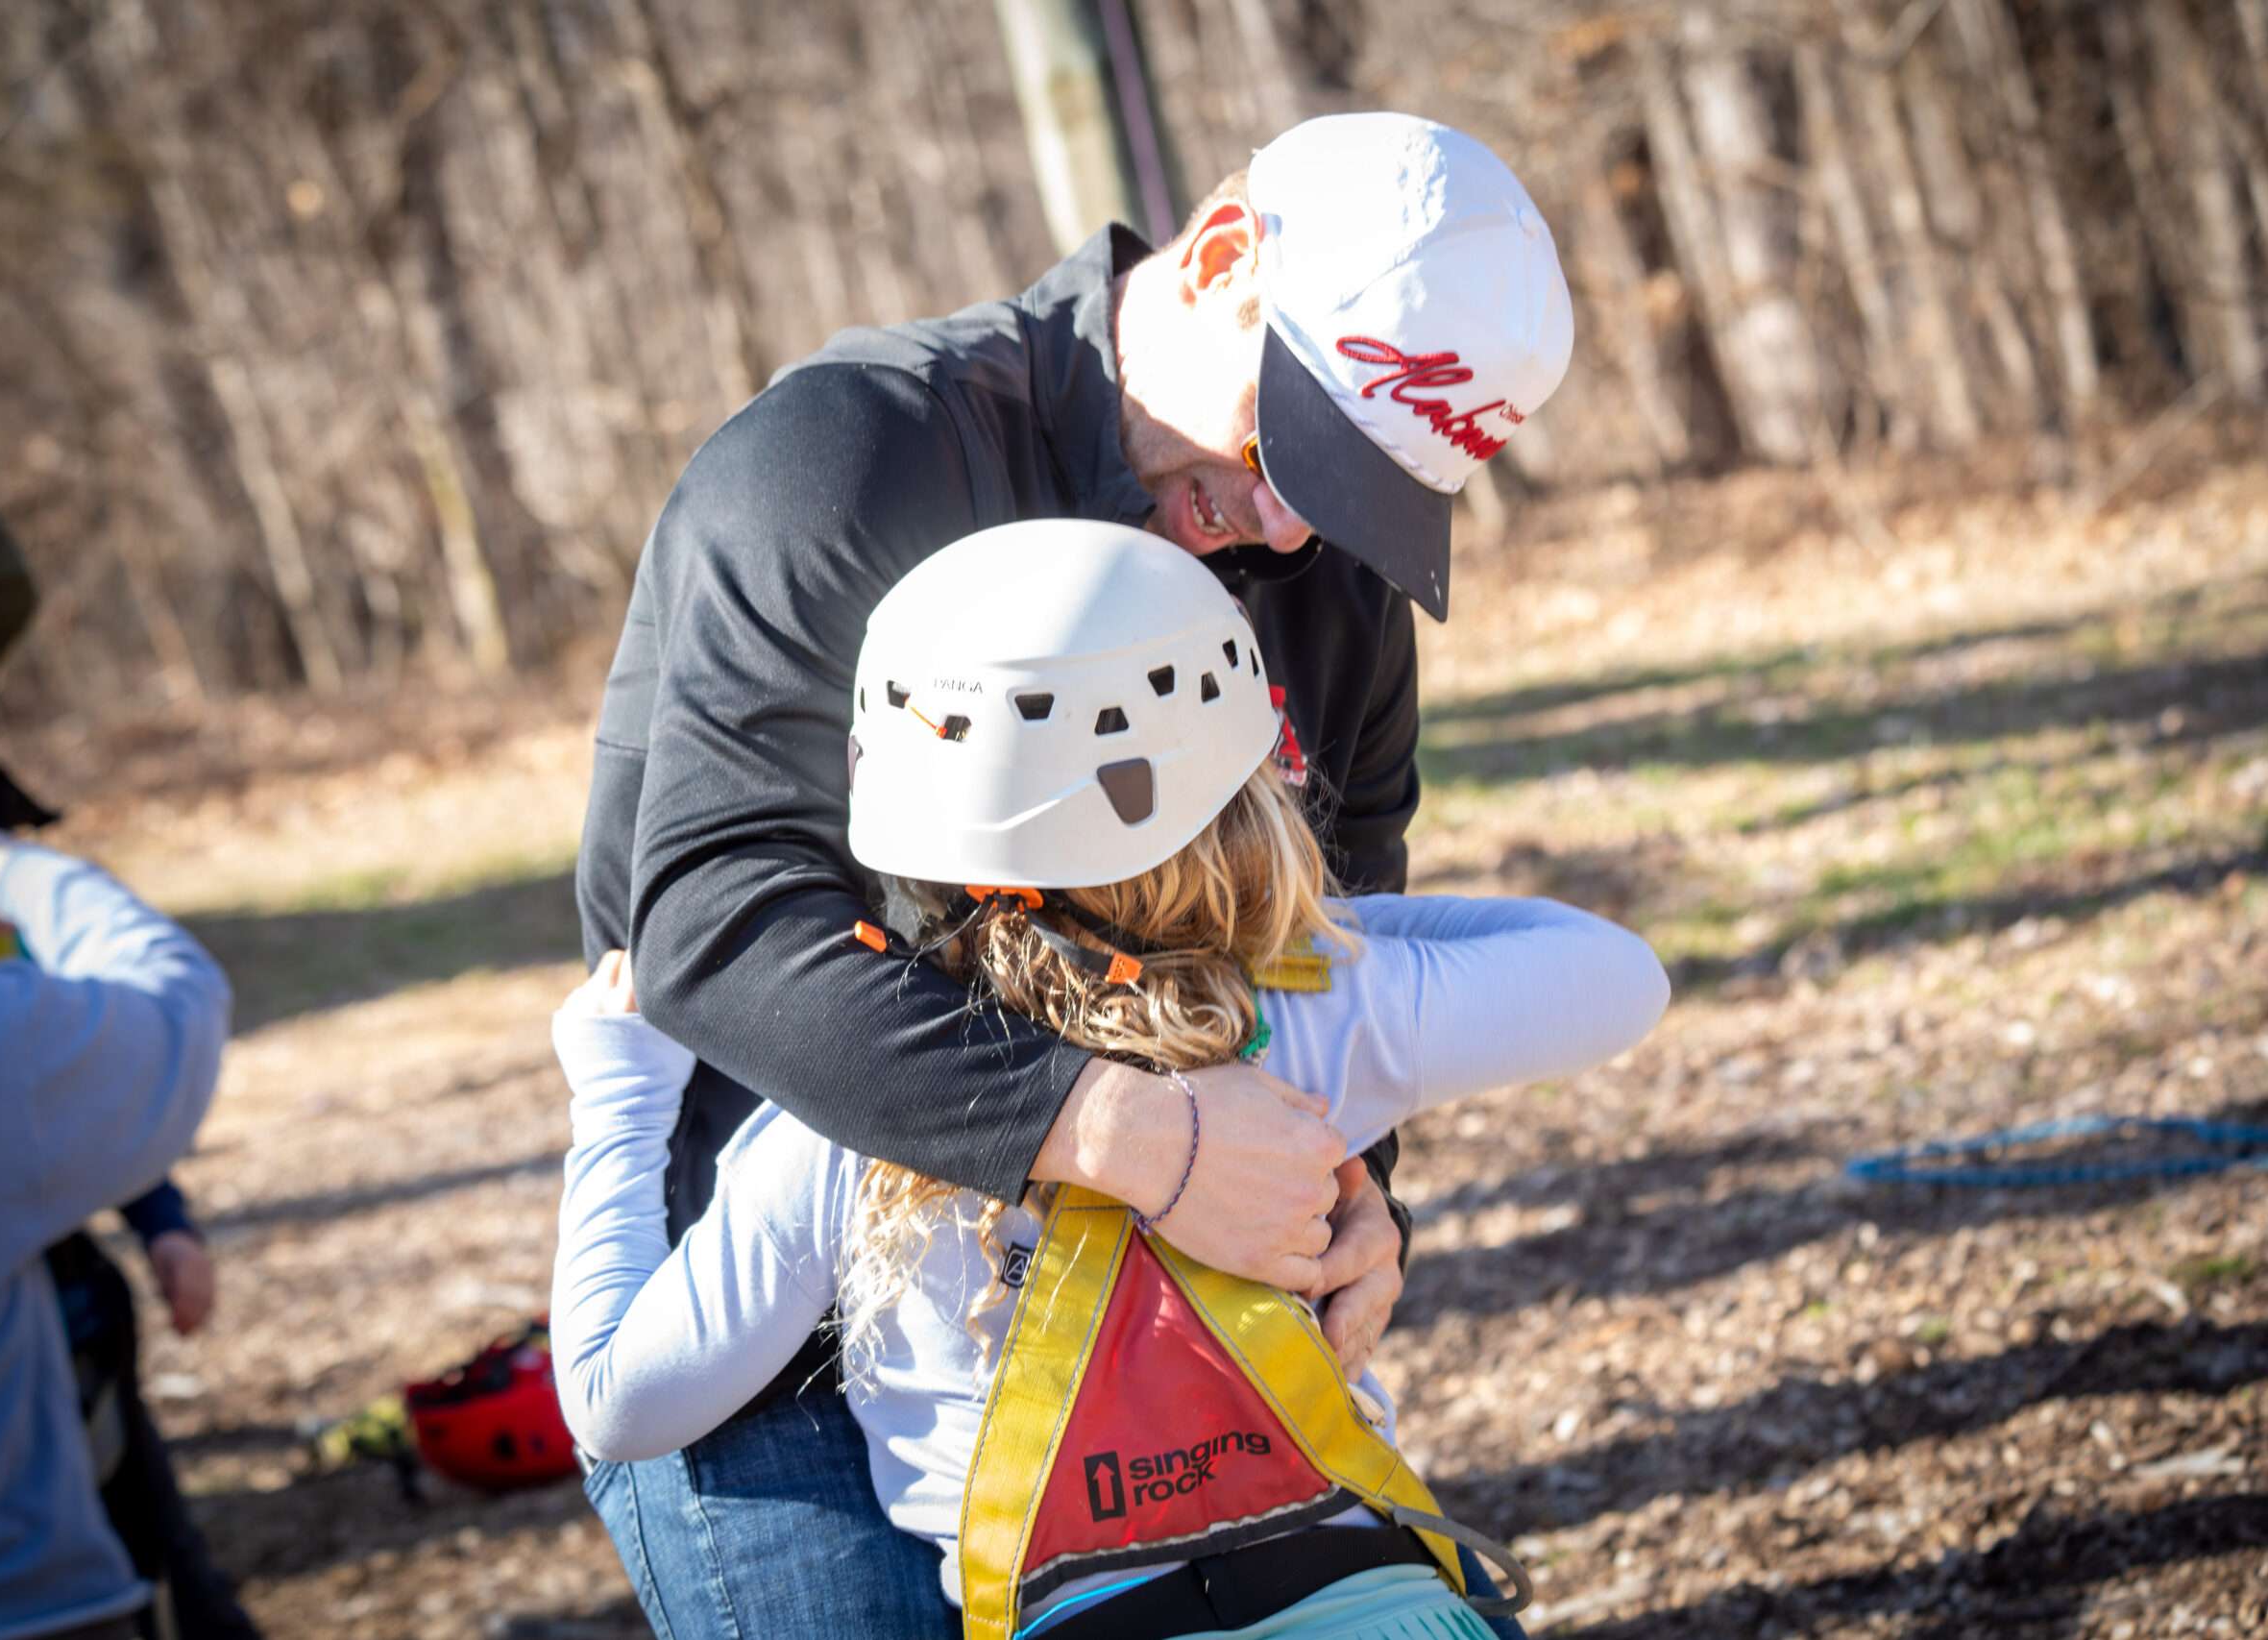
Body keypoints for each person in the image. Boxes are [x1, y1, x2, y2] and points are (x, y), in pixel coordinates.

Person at [574, 111, 1573, 1635]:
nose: (1289, 523)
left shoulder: (1325, 570)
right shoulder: (849, 457)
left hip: (1120, 1290)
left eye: (1356, 486)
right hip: (769, 1289)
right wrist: (1121, 1128)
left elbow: (1329, 925)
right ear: (1221, 260)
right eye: (1286, 447)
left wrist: (1351, 1187)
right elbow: (713, 927)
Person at [552, 525, 1666, 1637]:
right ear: (1247, 776)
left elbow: (620, 1404)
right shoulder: (1325, 1016)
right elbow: (1618, 977)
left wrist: (620, 1092)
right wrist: (1319, 934)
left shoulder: (855, 1117)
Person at [0, 794, 232, 1639]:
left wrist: (163, 1218)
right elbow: (166, 1008)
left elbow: (60, 1111)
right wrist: (17, 873)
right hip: (9, 1595)